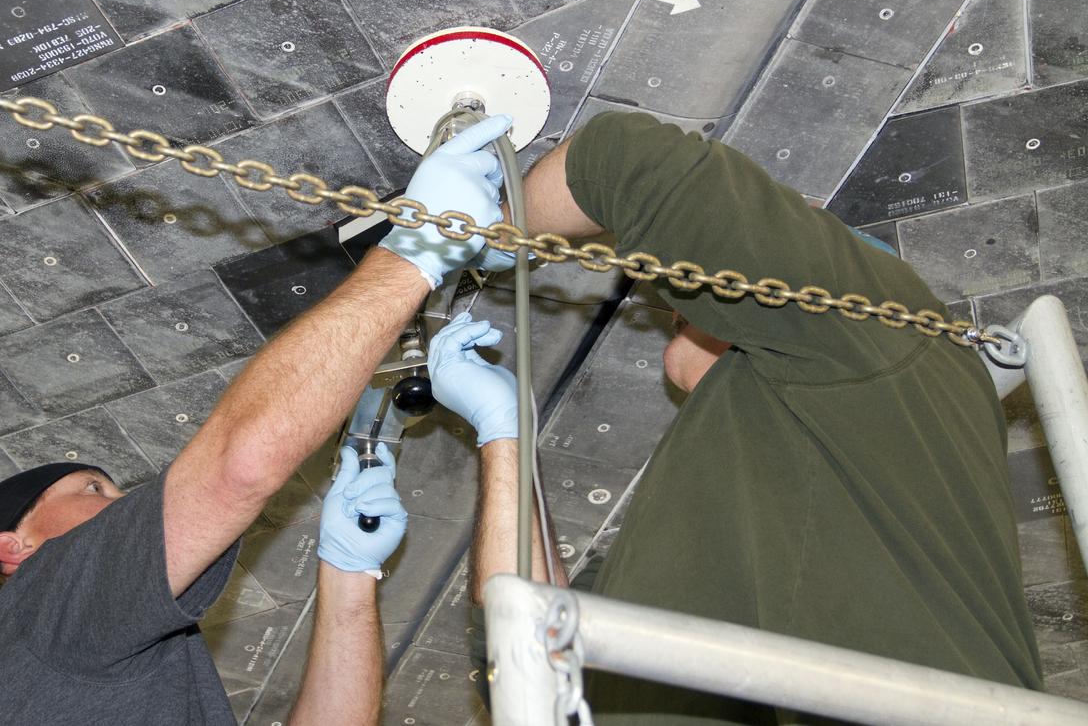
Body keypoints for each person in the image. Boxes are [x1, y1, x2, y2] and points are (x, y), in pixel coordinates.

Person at [428, 111, 1042, 723]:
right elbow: (537, 642)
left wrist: (480, 235)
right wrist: (505, 429)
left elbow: (525, 668)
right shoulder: (796, 451)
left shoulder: (882, 326)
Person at [0, 114, 514, 726]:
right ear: (15, 547)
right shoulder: (40, 609)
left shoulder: (78, 670)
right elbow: (235, 468)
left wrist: (347, 574)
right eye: (92, 489)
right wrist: (414, 253)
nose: (123, 500)